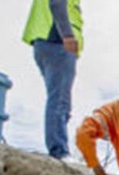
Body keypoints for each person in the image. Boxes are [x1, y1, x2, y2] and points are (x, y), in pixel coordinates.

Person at [23, 0, 83, 159]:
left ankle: (59, 148)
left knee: (60, 102)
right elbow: (57, 3)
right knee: (59, 101)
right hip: (57, 43)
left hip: (47, 44)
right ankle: (59, 152)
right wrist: (68, 36)